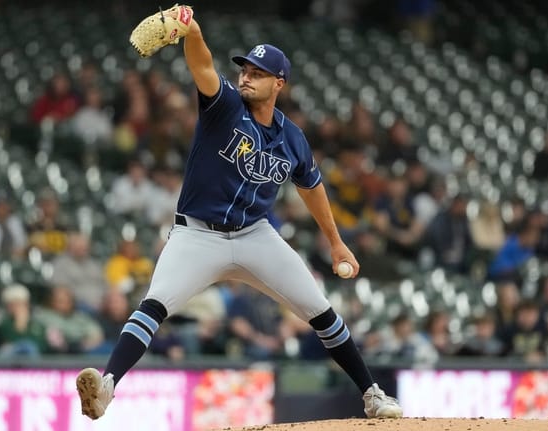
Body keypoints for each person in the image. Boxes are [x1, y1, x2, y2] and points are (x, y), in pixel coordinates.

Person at [76, 7, 402, 420]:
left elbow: (312, 187)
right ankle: (105, 388)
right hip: (197, 235)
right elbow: (203, 65)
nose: (246, 76)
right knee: (154, 304)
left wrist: (337, 244)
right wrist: (192, 30)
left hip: (254, 236)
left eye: (258, 72)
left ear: (278, 83)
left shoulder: (292, 137)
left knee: (320, 310)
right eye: (245, 69)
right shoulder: (224, 107)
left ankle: (372, 393)